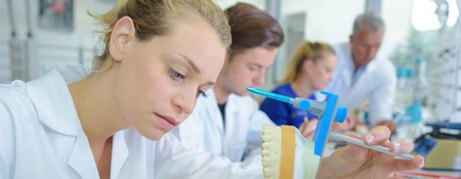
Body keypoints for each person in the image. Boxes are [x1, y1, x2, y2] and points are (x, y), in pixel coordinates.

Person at [154, 3, 423, 178]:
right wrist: (295, 160)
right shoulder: (186, 105)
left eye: (265, 69)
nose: (260, 80)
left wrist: (299, 147)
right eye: (254, 67)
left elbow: (276, 145)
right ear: (223, 54)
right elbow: (191, 170)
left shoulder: (243, 106)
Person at [0, 0, 232, 178]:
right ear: (123, 40)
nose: (188, 105)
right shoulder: (9, 123)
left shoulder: (143, 136)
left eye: (201, 92)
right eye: (177, 74)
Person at [326, 12, 398, 134]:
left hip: (341, 132)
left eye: (377, 46)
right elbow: (314, 98)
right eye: (365, 46)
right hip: (312, 125)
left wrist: (384, 123)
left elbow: (380, 113)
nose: (371, 53)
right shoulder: (329, 56)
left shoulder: (385, 70)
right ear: (351, 39)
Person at [260, 41, 340, 135]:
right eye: (328, 70)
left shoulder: (312, 98)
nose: (331, 78)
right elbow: (276, 142)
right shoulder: (278, 99)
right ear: (309, 66)